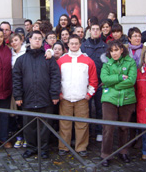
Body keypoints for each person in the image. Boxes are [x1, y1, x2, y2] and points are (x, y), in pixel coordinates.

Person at [12, 30, 61, 159]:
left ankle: (43, 149)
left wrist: (55, 94)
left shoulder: (48, 59)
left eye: (40, 38)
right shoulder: (21, 60)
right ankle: (31, 148)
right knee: (29, 126)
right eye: (35, 38)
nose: (37, 40)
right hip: (27, 98)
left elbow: (55, 77)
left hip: (45, 98)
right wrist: (18, 96)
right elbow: (16, 79)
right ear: (30, 40)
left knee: (45, 127)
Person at [57, 34, 98, 157]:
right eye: (71, 43)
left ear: (80, 44)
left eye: (76, 43)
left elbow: (93, 80)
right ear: (68, 45)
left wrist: (89, 94)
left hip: (82, 98)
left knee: (82, 124)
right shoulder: (61, 60)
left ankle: (81, 147)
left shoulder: (88, 60)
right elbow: (56, 79)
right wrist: (59, 93)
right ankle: (64, 146)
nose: (74, 45)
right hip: (65, 98)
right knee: (65, 124)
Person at [100, 40, 137, 166]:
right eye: (111, 51)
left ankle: (123, 151)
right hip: (109, 99)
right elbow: (104, 79)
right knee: (108, 128)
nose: (114, 53)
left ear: (121, 50)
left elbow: (131, 81)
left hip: (127, 99)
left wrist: (113, 85)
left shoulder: (130, 62)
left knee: (124, 127)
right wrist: (120, 77)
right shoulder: (107, 64)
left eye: (116, 50)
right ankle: (105, 154)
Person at [81, 23, 107, 142]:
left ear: (101, 32)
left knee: (99, 108)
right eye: (93, 29)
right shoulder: (84, 46)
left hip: (101, 83)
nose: (95, 31)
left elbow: (108, 65)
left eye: (98, 29)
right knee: (86, 109)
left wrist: (104, 80)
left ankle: (99, 131)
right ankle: (88, 131)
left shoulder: (105, 47)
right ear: (90, 31)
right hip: (86, 84)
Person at [9, 33, 27, 148]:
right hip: (13, 86)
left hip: (25, 86)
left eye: (16, 40)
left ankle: (26, 136)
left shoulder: (26, 52)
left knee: (25, 113)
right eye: (11, 41)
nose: (14, 43)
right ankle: (19, 136)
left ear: (21, 40)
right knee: (15, 114)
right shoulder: (9, 54)